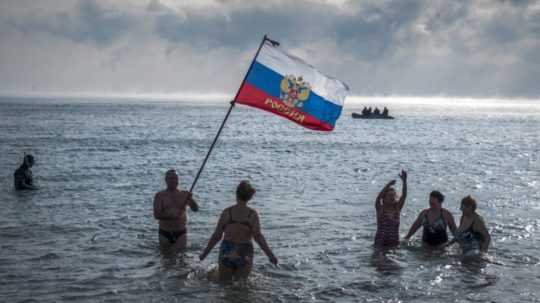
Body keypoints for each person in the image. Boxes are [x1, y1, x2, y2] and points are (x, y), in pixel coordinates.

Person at [199, 180, 277, 280]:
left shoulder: (227, 212)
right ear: (250, 197)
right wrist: (270, 255)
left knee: (224, 285)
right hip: (244, 251)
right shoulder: (252, 215)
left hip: (227, 250)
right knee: (241, 287)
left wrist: (204, 254)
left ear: (236, 194)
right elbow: (258, 237)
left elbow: (217, 236)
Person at [153, 169, 199, 253]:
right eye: (171, 178)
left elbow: (196, 209)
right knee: (166, 260)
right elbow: (156, 215)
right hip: (165, 232)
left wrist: (191, 200)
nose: (174, 180)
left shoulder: (184, 194)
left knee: (181, 259)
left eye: (176, 178)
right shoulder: (160, 196)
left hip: (181, 232)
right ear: (166, 180)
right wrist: (171, 216)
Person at [374, 170, 407, 248]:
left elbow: (404, 195)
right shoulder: (380, 208)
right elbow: (378, 198)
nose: (392, 197)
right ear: (384, 198)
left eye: (393, 195)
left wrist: (404, 181)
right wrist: (388, 185)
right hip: (380, 245)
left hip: (394, 245)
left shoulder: (397, 208)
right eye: (389, 195)